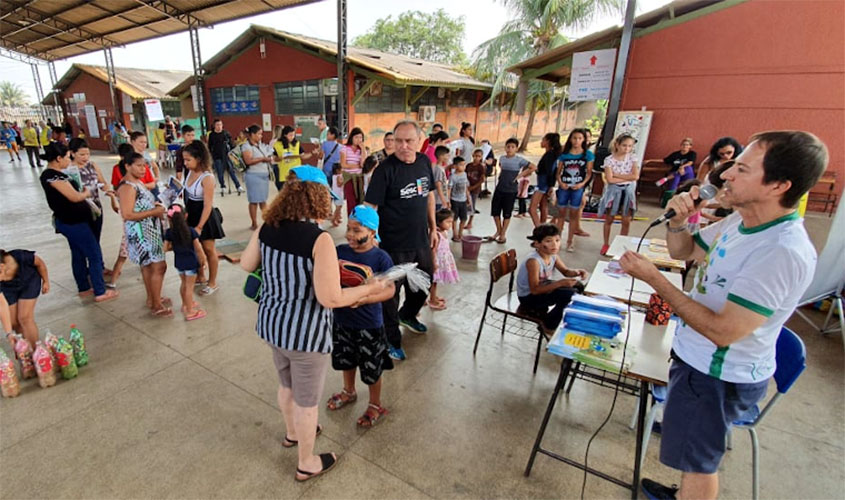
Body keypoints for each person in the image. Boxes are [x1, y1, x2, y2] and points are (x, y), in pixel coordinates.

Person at [621, 130, 828, 500]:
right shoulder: (741, 222)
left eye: (742, 169)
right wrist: (678, 222)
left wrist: (656, 280)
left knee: (700, 463)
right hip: (697, 362)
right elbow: (685, 251)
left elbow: (723, 331)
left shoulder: (780, 251)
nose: (725, 175)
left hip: (716, 373)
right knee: (691, 457)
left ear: (779, 185)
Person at [239, 166, 386, 482]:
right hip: (306, 336)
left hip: (272, 326)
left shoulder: (267, 226)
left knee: (286, 385)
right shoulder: (319, 240)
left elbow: (246, 264)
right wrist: (369, 289)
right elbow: (330, 298)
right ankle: (306, 461)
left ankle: (293, 433)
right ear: (317, 197)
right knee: (307, 402)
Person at [365, 120, 437, 361]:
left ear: (419, 141)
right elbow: (370, 206)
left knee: (424, 283)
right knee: (390, 295)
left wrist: (434, 228)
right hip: (392, 245)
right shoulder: (384, 170)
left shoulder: (425, 162)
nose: (403, 146)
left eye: (409, 141)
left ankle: (408, 314)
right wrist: (369, 235)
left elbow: (429, 196)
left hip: (420, 240)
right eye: (398, 141)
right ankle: (390, 340)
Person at [326, 205, 396, 426]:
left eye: (357, 231)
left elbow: (390, 290)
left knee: (371, 366)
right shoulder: (339, 251)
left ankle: (375, 404)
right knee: (346, 359)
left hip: (369, 324)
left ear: (372, 232)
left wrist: (365, 299)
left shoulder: (381, 258)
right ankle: (349, 391)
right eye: (348, 229)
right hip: (342, 320)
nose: (350, 235)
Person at [39, 142, 118, 303]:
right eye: (67, 157)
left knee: (78, 253)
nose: (68, 161)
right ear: (58, 158)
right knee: (94, 254)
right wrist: (86, 193)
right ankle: (100, 291)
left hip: (76, 220)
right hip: (73, 222)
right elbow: (74, 197)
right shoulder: (53, 176)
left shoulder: (58, 173)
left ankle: (83, 287)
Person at [117, 152, 169, 317]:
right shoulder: (127, 186)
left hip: (148, 229)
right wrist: (154, 211)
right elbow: (127, 214)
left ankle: (153, 299)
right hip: (143, 232)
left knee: (148, 265)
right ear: (127, 166)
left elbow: (139, 205)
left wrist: (154, 205)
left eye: (144, 165)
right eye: (138, 165)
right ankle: (156, 304)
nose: (143, 169)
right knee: (159, 266)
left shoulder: (136, 183)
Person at [517, 224, 588, 335]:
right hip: (529, 297)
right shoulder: (534, 261)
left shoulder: (553, 255)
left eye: (557, 240)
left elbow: (565, 271)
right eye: (549, 241)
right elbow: (534, 290)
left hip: (543, 288)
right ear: (537, 244)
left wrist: (577, 272)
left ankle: (562, 316)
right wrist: (560, 283)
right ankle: (548, 325)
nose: (555, 244)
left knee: (578, 286)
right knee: (570, 295)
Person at [182, 140, 224, 296]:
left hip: (204, 217)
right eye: (184, 159)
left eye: (188, 160)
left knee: (208, 249)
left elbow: (207, 205)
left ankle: (212, 282)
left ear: (198, 158)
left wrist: (199, 227)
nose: (185, 163)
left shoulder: (207, 177)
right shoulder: (190, 172)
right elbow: (185, 192)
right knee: (194, 248)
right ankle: (201, 276)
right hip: (190, 213)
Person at [163, 204, 207, 321]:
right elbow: (198, 248)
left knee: (183, 284)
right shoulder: (191, 231)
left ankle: (185, 304)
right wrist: (203, 259)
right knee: (189, 287)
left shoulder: (169, 233)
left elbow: (165, 248)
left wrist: (175, 246)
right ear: (186, 216)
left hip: (179, 263)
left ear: (169, 218)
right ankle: (190, 311)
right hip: (191, 263)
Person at [598, 134, 639, 256]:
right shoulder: (609, 160)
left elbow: (635, 176)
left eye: (630, 146)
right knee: (609, 218)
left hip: (628, 192)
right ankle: (606, 243)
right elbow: (609, 179)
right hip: (614, 192)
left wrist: (617, 175)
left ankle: (622, 244)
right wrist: (626, 177)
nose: (627, 148)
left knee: (626, 220)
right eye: (624, 145)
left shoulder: (633, 158)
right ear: (617, 145)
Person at [0, 249, 49, 349]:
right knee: (13, 322)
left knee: (24, 318)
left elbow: (40, 263)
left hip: (29, 281)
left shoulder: (20, 256)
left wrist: (46, 281)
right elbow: (1, 304)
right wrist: (9, 333)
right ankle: (25, 351)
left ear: (1, 267)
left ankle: (37, 350)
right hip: (8, 288)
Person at [488, 138, 534, 244]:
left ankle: (503, 234)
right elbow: (500, 168)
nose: (510, 149)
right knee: (495, 211)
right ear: (505, 147)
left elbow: (533, 167)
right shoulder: (502, 158)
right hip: (500, 188)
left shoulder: (519, 160)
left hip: (511, 190)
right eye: (508, 147)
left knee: (507, 213)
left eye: (512, 147)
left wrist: (519, 176)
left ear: (516, 149)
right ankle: (498, 231)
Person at [556, 129, 594, 252]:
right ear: (570, 139)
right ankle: (558, 240)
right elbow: (558, 172)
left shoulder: (587, 155)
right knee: (561, 213)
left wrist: (581, 184)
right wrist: (561, 183)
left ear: (583, 140)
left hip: (577, 187)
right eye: (574, 138)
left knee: (573, 214)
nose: (576, 141)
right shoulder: (564, 154)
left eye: (579, 138)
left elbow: (588, 174)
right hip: (564, 187)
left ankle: (570, 241)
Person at [69, 138, 109, 245]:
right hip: (79, 209)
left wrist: (107, 188)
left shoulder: (92, 165)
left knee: (96, 239)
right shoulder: (69, 169)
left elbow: (103, 183)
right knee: (83, 242)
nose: (85, 157)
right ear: (72, 153)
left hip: (96, 207)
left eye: (87, 154)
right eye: (82, 155)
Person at [240, 124, 274, 230]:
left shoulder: (261, 145)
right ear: (252, 134)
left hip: (263, 174)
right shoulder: (246, 146)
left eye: (261, 134)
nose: (260, 136)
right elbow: (248, 161)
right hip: (253, 175)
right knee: (254, 200)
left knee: (263, 199)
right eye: (259, 134)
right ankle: (254, 223)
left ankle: (267, 221)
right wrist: (263, 159)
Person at [529, 133, 563, 227]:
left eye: (543, 140)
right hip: (545, 183)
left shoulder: (550, 155)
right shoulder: (551, 154)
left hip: (543, 184)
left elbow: (550, 171)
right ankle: (543, 227)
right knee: (543, 205)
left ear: (548, 141)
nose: (541, 142)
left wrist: (550, 185)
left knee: (532, 208)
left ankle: (539, 229)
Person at [429, 208, 459, 311]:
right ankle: (432, 300)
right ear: (439, 222)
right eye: (448, 222)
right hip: (437, 261)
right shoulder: (436, 234)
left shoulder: (444, 232)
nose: (450, 225)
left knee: (435, 281)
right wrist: (434, 263)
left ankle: (433, 296)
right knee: (434, 281)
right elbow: (433, 250)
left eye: (451, 222)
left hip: (442, 260)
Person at [207, 119, 243, 196]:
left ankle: (238, 186)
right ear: (214, 126)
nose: (219, 126)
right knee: (220, 172)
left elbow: (231, 144)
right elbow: (210, 146)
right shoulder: (212, 135)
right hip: (217, 156)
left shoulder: (226, 134)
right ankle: (222, 186)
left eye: (220, 125)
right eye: (217, 125)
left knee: (231, 171)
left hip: (227, 155)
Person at [272, 125, 314, 192]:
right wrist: (280, 158)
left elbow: (303, 156)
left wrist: (312, 153)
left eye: (293, 135)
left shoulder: (297, 143)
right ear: (285, 135)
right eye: (290, 135)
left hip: (296, 173)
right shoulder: (277, 144)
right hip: (284, 174)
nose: (292, 137)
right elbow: (275, 158)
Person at [340, 127, 368, 214]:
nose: (358, 140)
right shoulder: (345, 148)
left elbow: (363, 164)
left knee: (360, 200)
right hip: (349, 177)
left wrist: (363, 149)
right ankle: (351, 220)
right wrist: (356, 165)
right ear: (352, 137)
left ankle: (358, 221)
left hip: (360, 178)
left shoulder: (362, 150)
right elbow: (343, 164)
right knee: (351, 200)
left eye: (360, 137)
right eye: (356, 137)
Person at [129, 131, 161, 196]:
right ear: (133, 142)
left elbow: (155, 167)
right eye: (141, 142)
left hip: (152, 185)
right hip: (139, 189)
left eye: (145, 142)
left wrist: (157, 177)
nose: (144, 144)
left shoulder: (146, 154)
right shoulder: (129, 157)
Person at [448, 156, 472, 241]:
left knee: (464, 218)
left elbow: (466, 188)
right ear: (455, 166)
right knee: (454, 218)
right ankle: (455, 234)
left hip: (463, 200)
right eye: (461, 165)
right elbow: (449, 189)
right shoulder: (453, 177)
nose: (463, 166)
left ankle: (460, 233)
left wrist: (468, 198)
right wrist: (448, 201)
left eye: (464, 165)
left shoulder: (464, 174)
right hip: (455, 200)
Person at [465, 148, 486, 229]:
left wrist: (473, 187)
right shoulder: (468, 165)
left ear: (481, 157)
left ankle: (470, 222)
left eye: (479, 156)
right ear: (472, 155)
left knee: (472, 204)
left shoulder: (481, 167)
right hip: (467, 187)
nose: (476, 158)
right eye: (475, 156)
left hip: (475, 189)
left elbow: (482, 180)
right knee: (466, 203)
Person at [432, 145, 450, 211]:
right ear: (441, 156)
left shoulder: (440, 168)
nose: (448, 157)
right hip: (438, 200)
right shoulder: (438, 169)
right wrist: (443, 200)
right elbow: (438, 185)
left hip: (440, 200)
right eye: (447, 155)